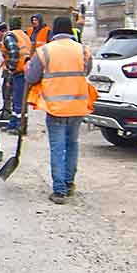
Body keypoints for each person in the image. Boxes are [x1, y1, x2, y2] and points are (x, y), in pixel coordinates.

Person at [26, 16, 98, 204]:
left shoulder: (45, 51)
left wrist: (28, 68)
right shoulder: (83, 50)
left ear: (54, 32)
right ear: (71, 30)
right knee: (72, 144)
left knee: (58, 147)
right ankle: (69, 183)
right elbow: (86, 71)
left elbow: (32, 77)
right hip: (78, 106)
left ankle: (59, 191)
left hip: (56, 108)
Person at [0, 19, 32, 133]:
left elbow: (14, 52)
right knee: (18, 100)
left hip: (19, 72)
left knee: (18, 101)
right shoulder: (23, 35)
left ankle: (20, 127)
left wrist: (11, 68)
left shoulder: (9, 37)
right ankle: (13, 124)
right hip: (25, 70)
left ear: (0, 32)